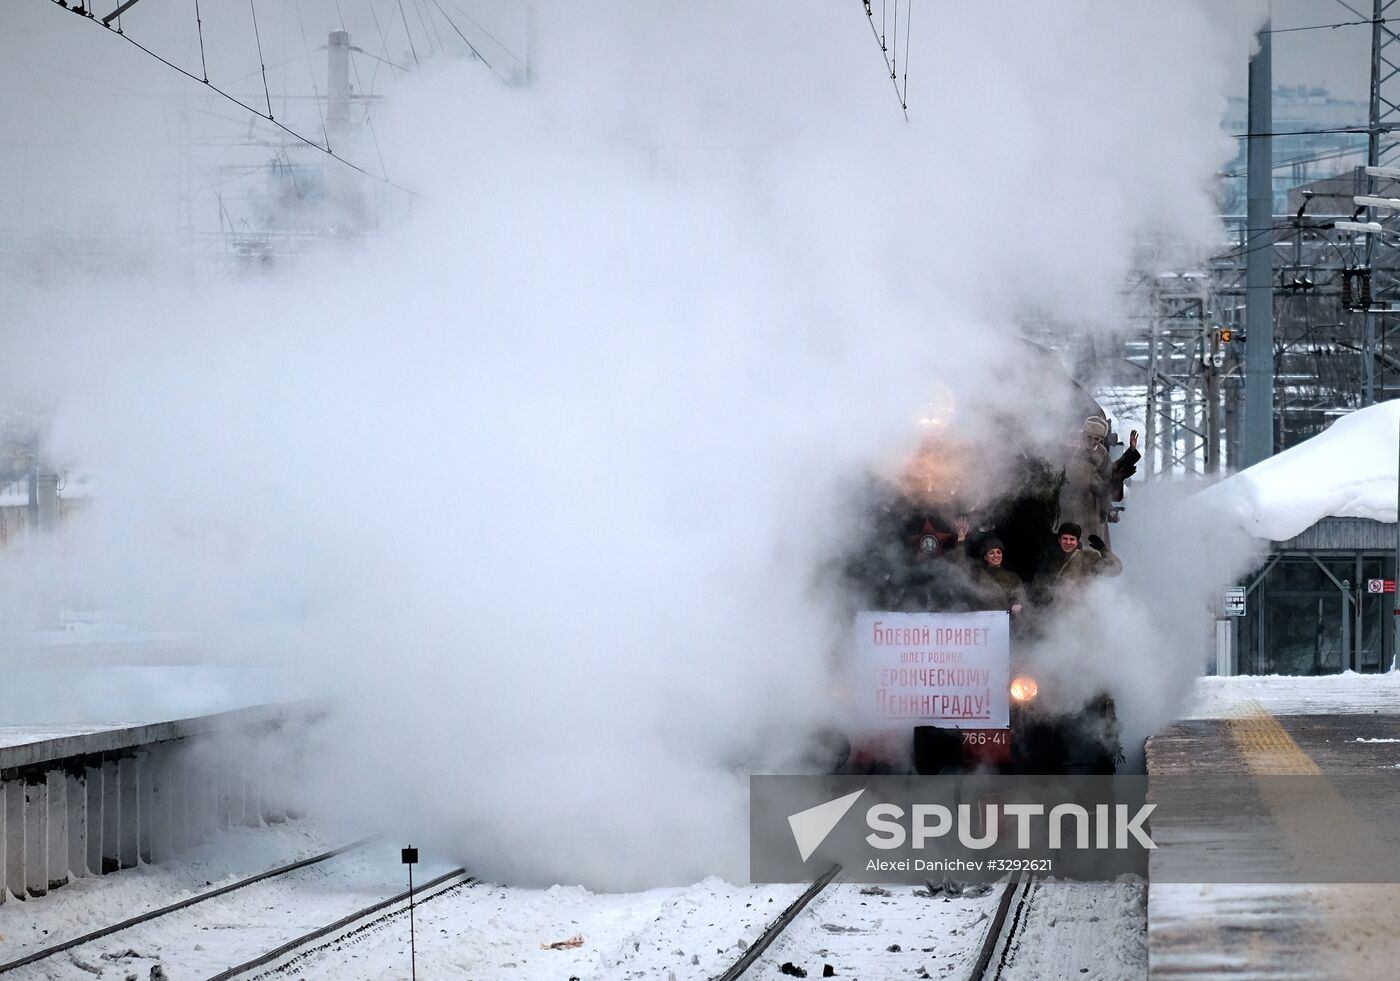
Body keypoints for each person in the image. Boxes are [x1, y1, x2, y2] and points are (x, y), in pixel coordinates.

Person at [1058, 417, 1141, 546]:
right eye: (1088, 437)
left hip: (1095, 507)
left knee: (1095, 545)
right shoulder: (1075, 452)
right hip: (1074, 505)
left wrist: (1130, 454)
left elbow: (1108, 474)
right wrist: (1117, 478)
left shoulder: (1102, 452)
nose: (1091, 442)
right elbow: (1095, 483)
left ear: (1101, 439)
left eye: (1096, 439)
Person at [1031, 521, 1121, 604]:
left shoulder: (1087, 558)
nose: (1068, 542)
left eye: (1072, 539)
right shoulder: (1050, 557)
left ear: (1077, 542)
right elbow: (1038, 583)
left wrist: (1103, 550)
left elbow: (1115, 569)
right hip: (1053, 609)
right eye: (1065, 539)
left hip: (1078, 609)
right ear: (1059, 540)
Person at [971, 537, 1027, 616]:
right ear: (985, 557)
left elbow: (1021, 596)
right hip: (983, 620)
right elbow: (960, 568)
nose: (996, 555)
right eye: (991, 553)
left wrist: (1018, 604)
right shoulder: (978, 574)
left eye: (998, 552)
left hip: (1008, 621)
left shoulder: (1012, 577)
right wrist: (961, 540)